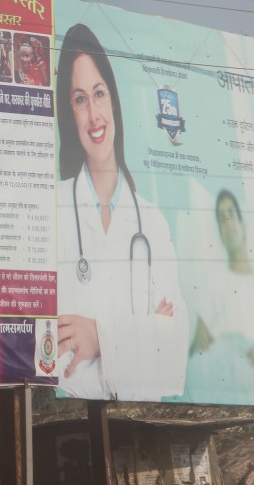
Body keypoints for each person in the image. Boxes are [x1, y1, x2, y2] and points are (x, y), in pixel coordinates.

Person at [55, 23, 187, 401]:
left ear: (113, 99)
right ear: (70, 113)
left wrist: (99, 338)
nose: (93, 114)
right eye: (80, 99)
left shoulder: (153, 222)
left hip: (140, 423)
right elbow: (53, 353)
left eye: (99, 93)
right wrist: (145, 332)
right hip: (74, 423)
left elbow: (174, 354)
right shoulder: (52, 209)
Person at [183, 189, 254, 402]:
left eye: (231, 214)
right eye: (221, 219)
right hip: (222, 381)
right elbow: (198, 346)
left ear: (243, 226)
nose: (228, 222)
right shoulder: (213, 280)